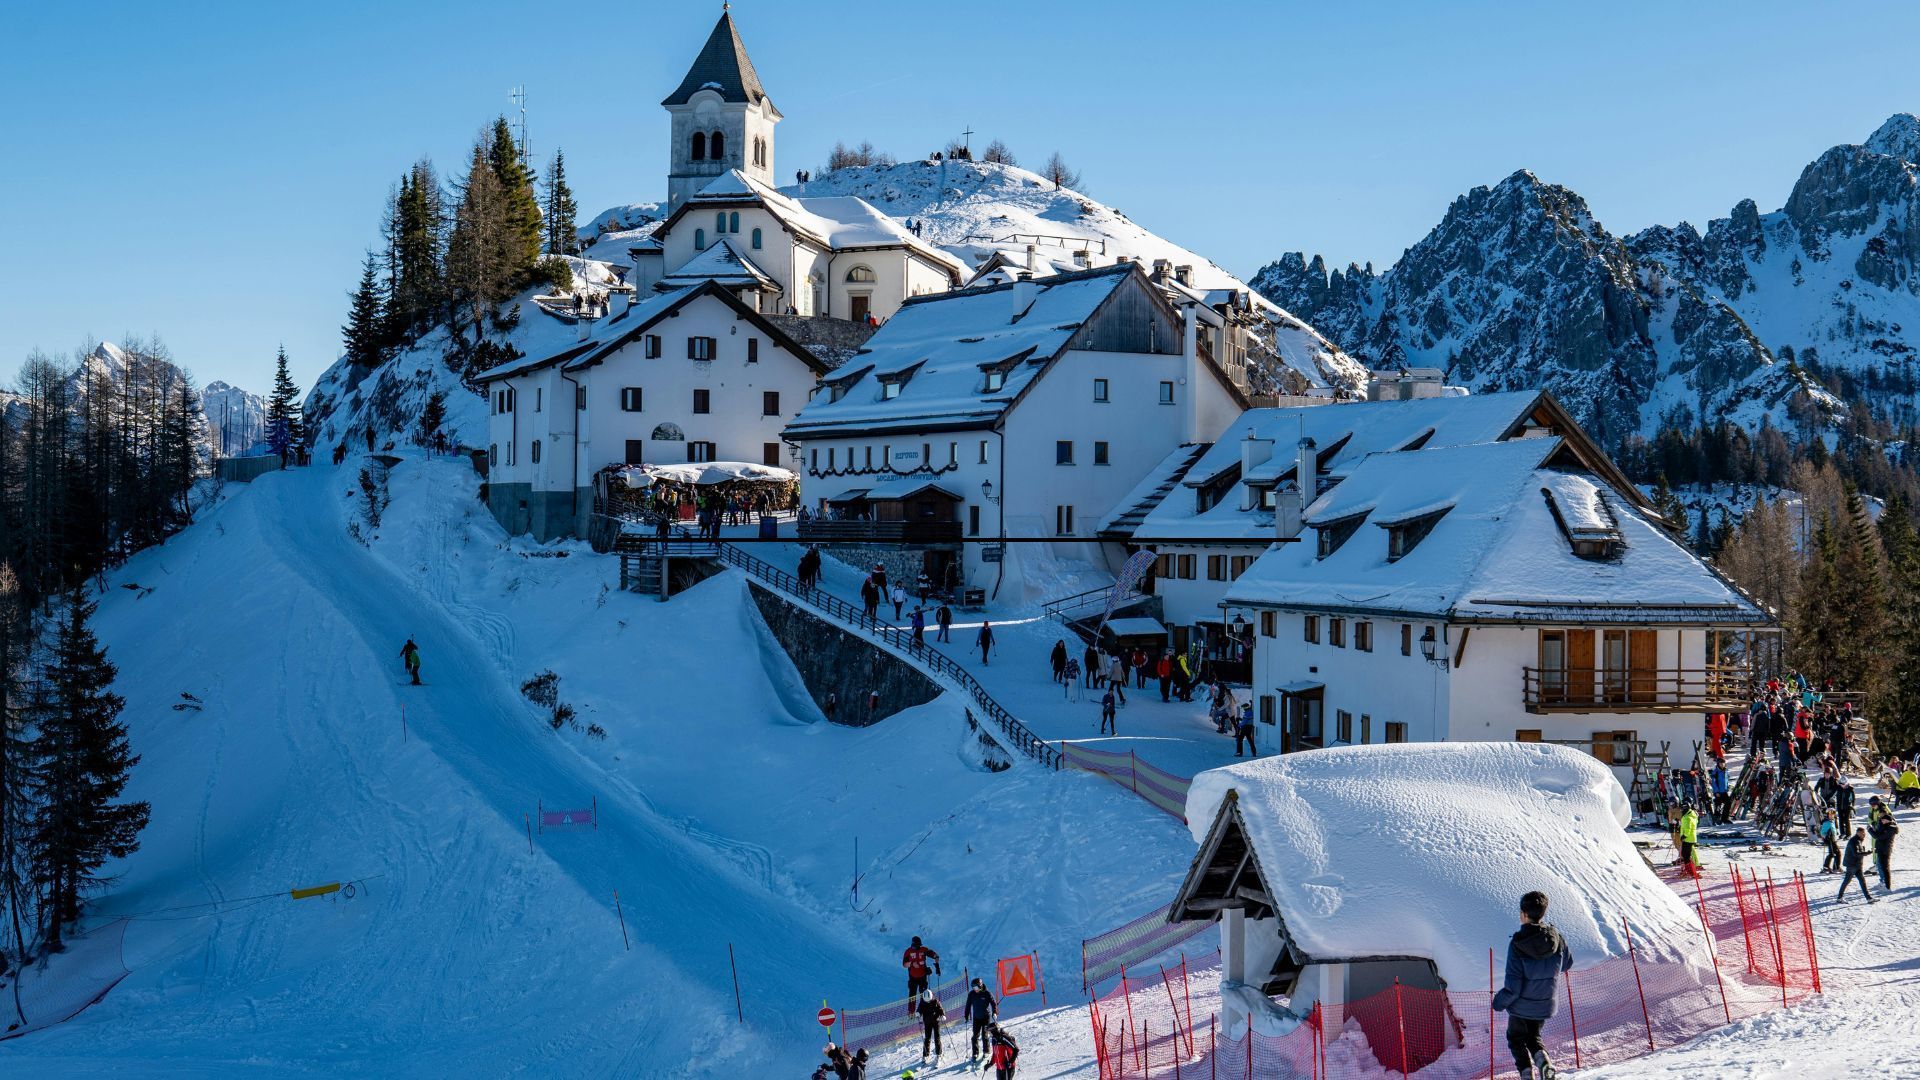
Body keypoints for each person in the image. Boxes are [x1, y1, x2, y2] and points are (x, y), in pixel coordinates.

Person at [1491, 890, 1573, 1080]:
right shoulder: (1556, 937)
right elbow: (1567, 964)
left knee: (1515, 1038)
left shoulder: (1518, 944)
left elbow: (1513, 987)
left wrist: (1498, 1003)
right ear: (1543, 912)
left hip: (1521, 1006)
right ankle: (1543, 1061)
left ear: (1524, 914)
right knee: (1532, 1036)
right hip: (1544, 1003)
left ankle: (1527, 1075)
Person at [1839, 826, 1876, 903]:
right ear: (1857, 833)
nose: (1864, 834)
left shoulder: (1858, 840)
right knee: (1847, 881)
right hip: (1852, 865)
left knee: (1862, 881)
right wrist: (1868, 852)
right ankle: (1839, 898)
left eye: (1864, 833)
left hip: (1857, 865)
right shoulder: (1854, 841)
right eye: (1862, 833)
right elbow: (1856, 853)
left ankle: (1868, 898)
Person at [964, 978, 998, 1061]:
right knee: (975, 1036)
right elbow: (968, 1005)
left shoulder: (987, 993)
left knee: (984, 1035)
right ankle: (975, 1053)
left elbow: (993, 1003)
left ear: (980, 986)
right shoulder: (971, 994)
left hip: (986, 1017)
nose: (975, 989)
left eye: (976, 987)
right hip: (976, 1018)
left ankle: (986, 1052)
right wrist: (966, 1015)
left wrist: (994, 1012)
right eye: (973, 988)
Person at [903, 936, 941, 1006]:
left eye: (919, 945)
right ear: (913, 944)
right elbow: (904, 964)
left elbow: (934, 955)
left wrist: (936, 958)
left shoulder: (923, 950)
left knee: (924, 995)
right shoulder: (908, 952)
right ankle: (911, 1014)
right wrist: (911, 963)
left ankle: (923, 1012)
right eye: (917, 946)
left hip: (923, 977)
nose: (918, 947)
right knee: (912, 997)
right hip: (912, 977)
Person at [1869, 802, 1899, 891]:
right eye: (1881, 818)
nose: (1882, 820)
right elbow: (1878, 834)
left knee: (1885, 867)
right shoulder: (1882, 825)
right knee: (1879, 865)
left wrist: (1870, 830)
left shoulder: (1891, 828)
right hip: (1880, 849)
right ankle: (1882, 882)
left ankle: (1887, 886)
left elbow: (1878, 836)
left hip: (1885, 850)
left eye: (1884, 819)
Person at [916, 988, 946, 1062]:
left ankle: (939, 1054)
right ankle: (926, 1055)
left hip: (936, 1022)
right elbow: (919, 1009)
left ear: (932, 996)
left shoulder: (936, 1001)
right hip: (927, 1022)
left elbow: (941, 1009)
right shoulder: (922, 1002)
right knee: (927, 1039)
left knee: (937, 1038)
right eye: (927, 1001)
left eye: (929, 1000)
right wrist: (918, 1013)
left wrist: (942, 1015)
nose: (928, 1002)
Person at [1819, 809, 1843, 873]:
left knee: (1833, 853)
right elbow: (1822, 832)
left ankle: (1827, 867)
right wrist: (1826, 836)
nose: (1832, 816)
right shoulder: (1827, 822)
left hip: (1833, 840)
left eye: (1833, 814)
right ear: (1827, 815)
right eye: (1830, 814)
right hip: (1830, 840)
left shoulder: (1832, 821)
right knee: (1837, 853)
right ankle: (1835, 867)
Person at [1677, 803, 1699, 872]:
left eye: (1682, 809)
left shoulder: (1687, 817)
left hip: (1688, 838)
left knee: (1685, 854)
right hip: (1691, 838)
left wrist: (1684, 836)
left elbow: (1688, 828)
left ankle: (1690, 870)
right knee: (1686, 854)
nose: (1681, 811)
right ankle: (1689, 869)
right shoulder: (1691, 815)